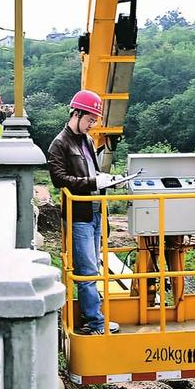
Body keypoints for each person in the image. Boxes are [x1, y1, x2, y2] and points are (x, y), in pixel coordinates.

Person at [48, 89, 123, 335]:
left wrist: (107, 180)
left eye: (94, 120)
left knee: (94, 267)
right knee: (87, 270)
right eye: (90, 119)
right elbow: (59, 179)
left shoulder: (88, 141)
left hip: (95, 211)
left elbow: (93, 174)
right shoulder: (59, 143)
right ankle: (96, 323)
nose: (92, 125)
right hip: (79, 215)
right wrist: (93, 183)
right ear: (77, 113)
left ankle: (95, 318)